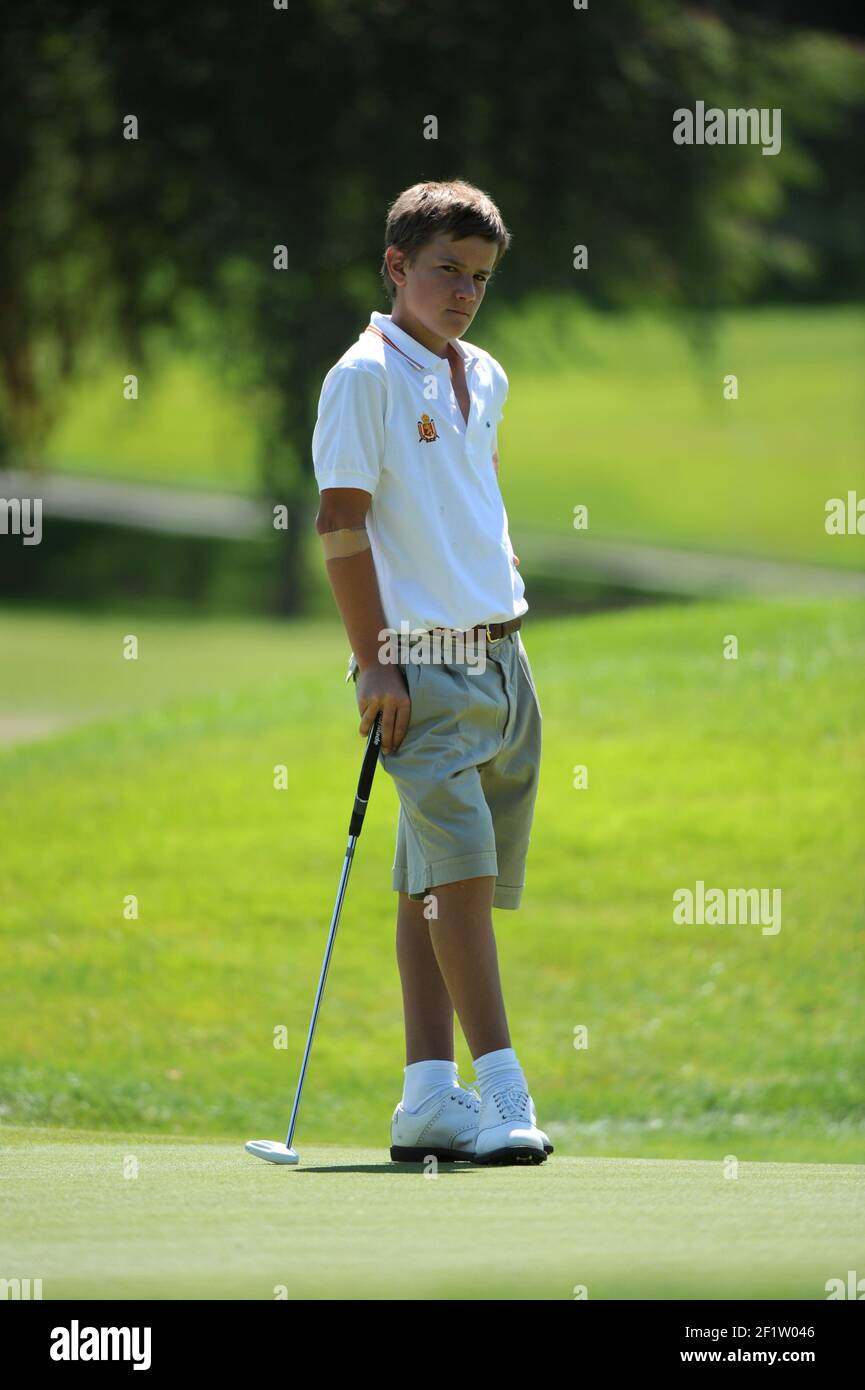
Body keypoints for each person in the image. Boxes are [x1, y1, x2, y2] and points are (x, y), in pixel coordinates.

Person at [312, 178, 551, 1166]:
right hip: (420, 663)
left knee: (436, 878)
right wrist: (375, 666)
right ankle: (500, 1091)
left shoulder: (484, 374)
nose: (462, 291)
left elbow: (473, 504)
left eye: (479, 277)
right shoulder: (362, 376)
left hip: (503, 659)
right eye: (446, 270)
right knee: (459, 872)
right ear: (396, 267)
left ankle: (424, 1098)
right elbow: (340, 523)